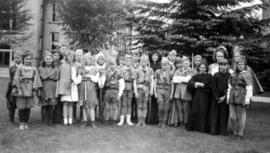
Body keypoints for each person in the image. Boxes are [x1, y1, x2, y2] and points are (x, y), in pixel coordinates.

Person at [13, 50, 42, 130]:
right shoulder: (20, 68)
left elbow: (36, 79)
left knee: (28, 107)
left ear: (32, 59)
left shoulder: (34, 68)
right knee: (21, 107)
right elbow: (16, 79)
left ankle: (26, 122)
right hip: (22, 88)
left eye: (29, 59)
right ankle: (21, 123)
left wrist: (34, 88)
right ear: (23, 59)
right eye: (26, 59)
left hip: (30, 88)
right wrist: (19, 89)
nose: (28, 60)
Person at [227, 57, 253, 139]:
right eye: (239, 64)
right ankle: (235, 131)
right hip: (232, 95)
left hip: (241, 95)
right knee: (232, 116)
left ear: (245, 65)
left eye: (242, 64)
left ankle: (240, 133)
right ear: (236, 65)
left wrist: (247, 99)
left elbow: (249, 87)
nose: (240, 66)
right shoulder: (233, 73)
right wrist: (228, 96)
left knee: (241, 115)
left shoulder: (247, 74)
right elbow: (229, 85)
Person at [187, 61, 213, 133]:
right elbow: (190, 83)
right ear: (199, 68)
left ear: (206, 68)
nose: (202, 69)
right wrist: (196, 83)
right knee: (195, 110)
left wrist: (204, 85)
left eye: (204, 68)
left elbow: (211, 86)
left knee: (204, 111)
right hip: (197, 96)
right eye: (201, 67)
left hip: (206, 96)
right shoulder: (195, 76)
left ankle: (202, 128)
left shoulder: (209, 76)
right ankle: (194, 127)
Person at [57, 50, 81, 125]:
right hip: (65, 87)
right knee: (65, 104)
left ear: (73, 57)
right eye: (68, 56)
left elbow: (79, 75)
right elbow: (60, 77)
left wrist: (75, 80)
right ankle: (65, 119)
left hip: (73, 87)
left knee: (71, 104)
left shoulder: (77, 65)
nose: (70, 57)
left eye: (71, 56)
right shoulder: (63, 65)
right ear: (66, 57)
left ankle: (70, 119)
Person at [100, 57, 125, 125]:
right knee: (107, 107)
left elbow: (121, 84)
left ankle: (114, 120)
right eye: (110, 64)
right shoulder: (106, 72)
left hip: (115, 91)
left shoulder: (119, 73)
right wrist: (101, 82)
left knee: (115, 107)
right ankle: (107, 120)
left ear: (116, 64)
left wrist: (120, 94)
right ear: (109, 65)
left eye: (113, 64)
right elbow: (102, 81)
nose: (112, 65)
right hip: (107, 91)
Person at [170, 56, 193, 128]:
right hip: (178, 91)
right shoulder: (178, 70)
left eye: (186, 63)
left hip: (186, 91)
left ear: (189, 63)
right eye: (183, 63)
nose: (184, 65)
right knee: (179, 108)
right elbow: (174, 80)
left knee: (185, 108)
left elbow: (188, 80)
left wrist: (180, 79)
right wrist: (183, 79)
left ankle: (186, 122)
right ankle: (181, 122)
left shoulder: (191, 71)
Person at [209, 59, 230, 135]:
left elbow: (230, 88)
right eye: (221, 65)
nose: (223, 67)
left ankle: (223, 131)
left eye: (224, 65)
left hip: (225, 98)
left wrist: (225, 96)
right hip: (216, 98)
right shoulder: (215, 75)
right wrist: (217, 97)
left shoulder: (230, 76)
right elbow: (213, 87)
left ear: (227, 65)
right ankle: (214, 130)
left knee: (224, 115)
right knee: (215, 114)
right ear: (219, 66)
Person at [78, 53, 99, 128]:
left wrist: (89, 76)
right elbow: (79, 78)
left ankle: (93, 122)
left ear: (91, 60)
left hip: (91, 88)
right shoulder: (82, 68)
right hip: (83, 88)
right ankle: (85, 121)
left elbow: (96, 79)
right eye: (86, 59)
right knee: (84, 106)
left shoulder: (95, 68)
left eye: (89, 59)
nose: (87, 61)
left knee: (91, 106)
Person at [38, 52, 59, 125]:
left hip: (52, 85)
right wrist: (39, 89)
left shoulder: (55, 68)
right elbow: (38, 79)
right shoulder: (40, 68)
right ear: (44, 60)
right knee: (44, 104)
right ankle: (44, 120)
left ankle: (50, 120)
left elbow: (57, 78)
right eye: (47, 59)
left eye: (50, 59)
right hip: (43, 86)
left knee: (51, 104)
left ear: (52, 60)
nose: (48, 60)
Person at [134, 54, 154, 126]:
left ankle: (144, 120)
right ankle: (139, 121)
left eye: (145, 62)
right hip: (139, 89)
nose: (143, 63)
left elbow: (152, 80)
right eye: (142, 61)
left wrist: (151, 90)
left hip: (147, 89)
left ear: (147, 62)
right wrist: (135, 92)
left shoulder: (150, 70)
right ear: (140, 62)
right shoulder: (137, 70)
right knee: (139, 105)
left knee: (145, 105)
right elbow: (134, 81)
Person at [154, 57, 174, 127]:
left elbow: (172, 84)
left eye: (165, 65)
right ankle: (160, 120)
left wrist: (172, 93)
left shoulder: (171, 73)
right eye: (162, 65)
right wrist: (155, 92)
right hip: (159, 89)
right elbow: (155, 82)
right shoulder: (158, 71)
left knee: (166, 107)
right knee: (160, 107)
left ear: (168, 65)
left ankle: (164, 122)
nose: (164, 66)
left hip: (168, 90)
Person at [117, 54, 136, 126]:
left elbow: (134, 80)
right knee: (123, 104)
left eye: (130, 61)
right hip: (124, 88)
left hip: (130, 88)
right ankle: (121, 120)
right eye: (127, 60)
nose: (128, 62)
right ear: (125, 61)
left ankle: (128, 120)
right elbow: (120, 79)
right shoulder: (121, 69)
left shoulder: (133, 70)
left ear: (131, 62)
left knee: (129, 104)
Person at [5, 50, 22, 124]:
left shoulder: (23, 67)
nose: (16, 59)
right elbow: (11, 77)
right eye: (15, 58)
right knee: (11, 102)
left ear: (21, 59)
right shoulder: (11, 67)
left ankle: (21, 119)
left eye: (18, 58)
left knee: (20, 103)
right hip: (12, 86)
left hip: (21, 87)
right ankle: (11, 119)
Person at [146, 51, 160, 124]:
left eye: (156, 56)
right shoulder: (149, 65)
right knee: (150, 101)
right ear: (151, 57)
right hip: (150, 84)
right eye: (153, 56)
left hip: (158, 84)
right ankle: (150, 119)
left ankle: (156, 119)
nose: (154, 57)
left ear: (158, 57)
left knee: (157, 102)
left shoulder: (160, 65)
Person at [52, 49, 64, 124]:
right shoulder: (49, 62)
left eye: (57, 55)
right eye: (54, 55)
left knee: (59, 102)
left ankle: (58, 118)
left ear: (60, 56)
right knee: (51, 101)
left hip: (59, 83)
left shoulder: (61, 64)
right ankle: (50, 117)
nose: (56, 57)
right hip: (51, 83)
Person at [74, 49, 84, 122]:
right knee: (74, 101)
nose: (79, 57)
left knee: (82, 101)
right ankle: (74, 116)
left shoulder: (84, 64)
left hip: (83, 84)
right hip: (74, 84)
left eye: (80, 55)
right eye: (77, 55)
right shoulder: (73, 64)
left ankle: (81, 116)